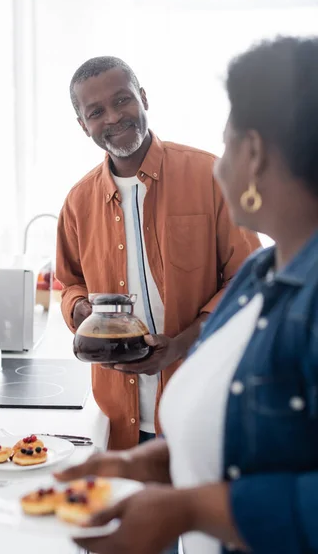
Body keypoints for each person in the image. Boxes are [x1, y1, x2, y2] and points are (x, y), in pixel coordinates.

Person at [55, 36, 318, 554]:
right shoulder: (263, 276)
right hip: (131, 426)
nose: (218, 163)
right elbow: (252, 432)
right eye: (96, 111)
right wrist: (144, 462)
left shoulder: (292, 287)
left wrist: (187, 507)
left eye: (230, 139)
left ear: (258, 153)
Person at [56, 56, 260, 450]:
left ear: (143, 98)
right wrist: (82, 310)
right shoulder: (78, 202)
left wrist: (180, 345)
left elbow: (249, 281)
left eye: (122, 100)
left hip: (205, 409)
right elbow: (69, 284)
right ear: (84, 126)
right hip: (119, 420)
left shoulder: (211, 176)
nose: (114, 117)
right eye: (96, 112)